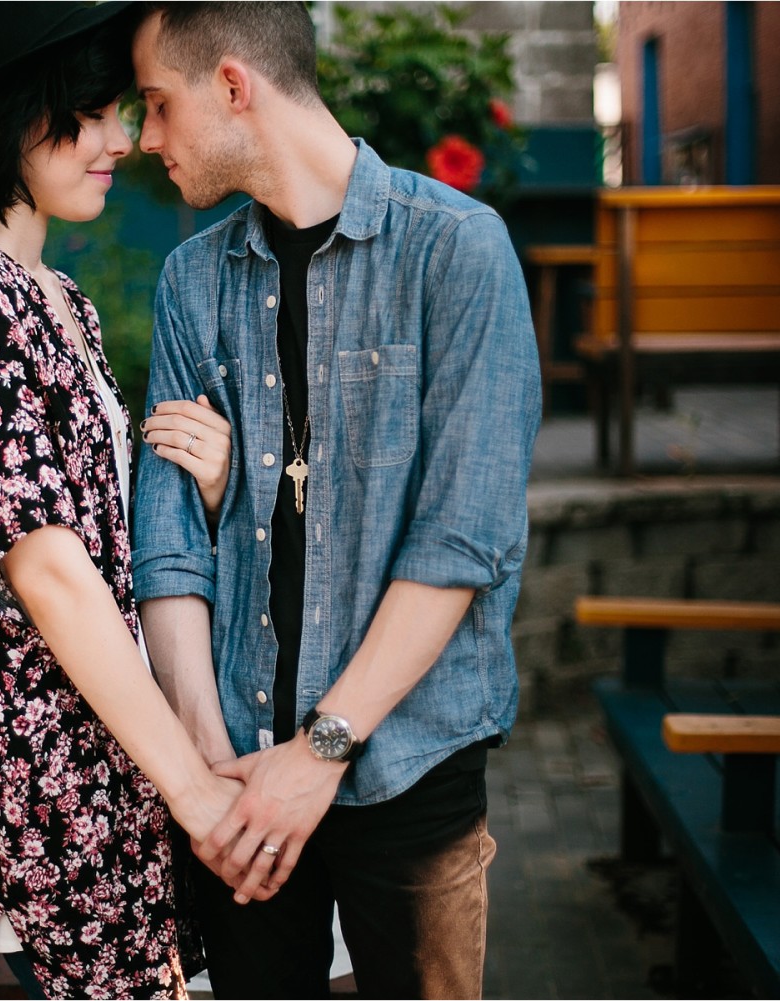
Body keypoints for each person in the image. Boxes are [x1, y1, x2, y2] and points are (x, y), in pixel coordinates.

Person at [129, 4, 542, 998]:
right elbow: (168, 540)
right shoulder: (192, 281)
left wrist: (317, 755)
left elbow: (462, 538)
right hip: (236, 779)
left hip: (408, 767)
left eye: (157, 104)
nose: (144, 137)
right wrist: (207, 763)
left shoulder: (456, 250)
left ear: (233, 86)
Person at [0, 4, 240, 998]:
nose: (121, 140)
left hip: (89, 781)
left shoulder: (57, 299)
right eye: (93, 114)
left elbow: (94, 537)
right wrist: (195, 791)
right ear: (18, 118)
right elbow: (50, 569)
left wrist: (206, 486)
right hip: (9, 805)